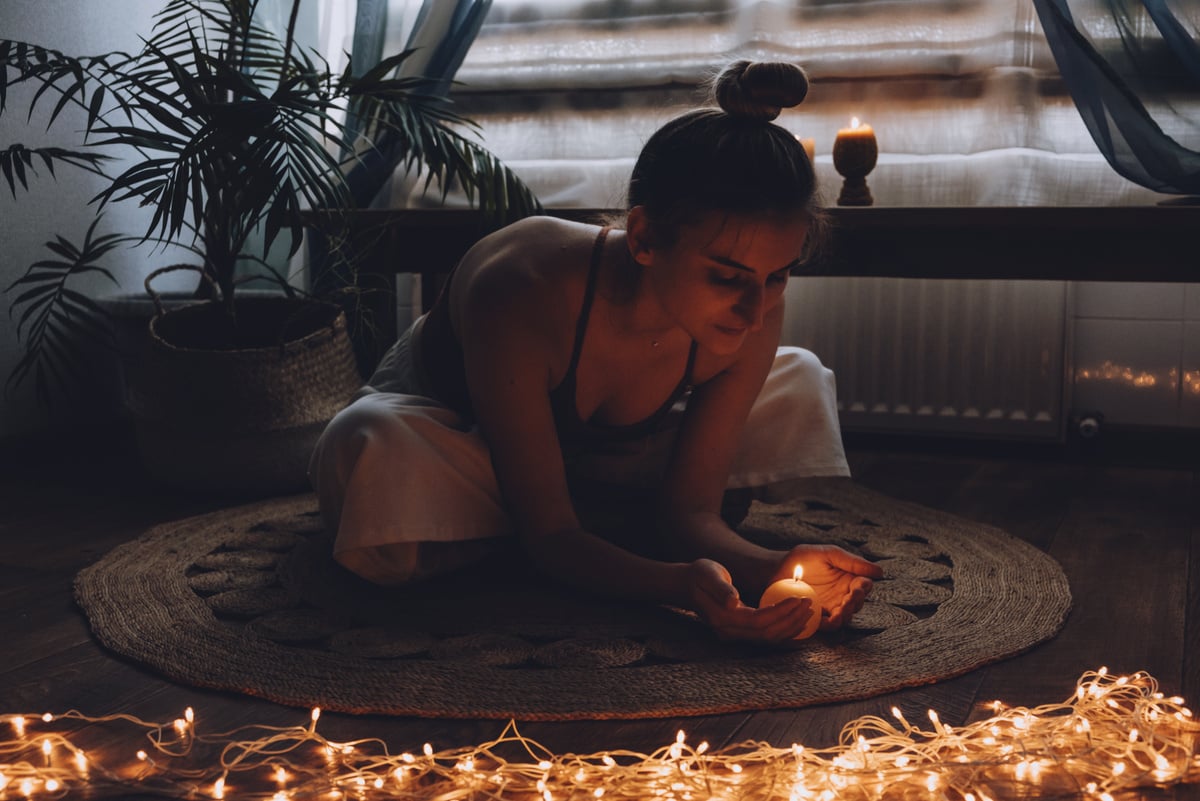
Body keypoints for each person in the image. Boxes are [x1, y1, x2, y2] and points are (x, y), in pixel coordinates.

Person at [310, 59, 882, 644]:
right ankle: (607, 519)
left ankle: (550, 531)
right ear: (644, 238)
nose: (756, 309)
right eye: (726, 278)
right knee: (374, 444)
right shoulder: (522, 284)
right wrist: (677, 585)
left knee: (798, 375)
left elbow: (689, 514)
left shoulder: (754, 302)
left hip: (605, 453)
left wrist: (772, 568)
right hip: (466, 442)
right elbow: (551, 532)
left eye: (779, 277)